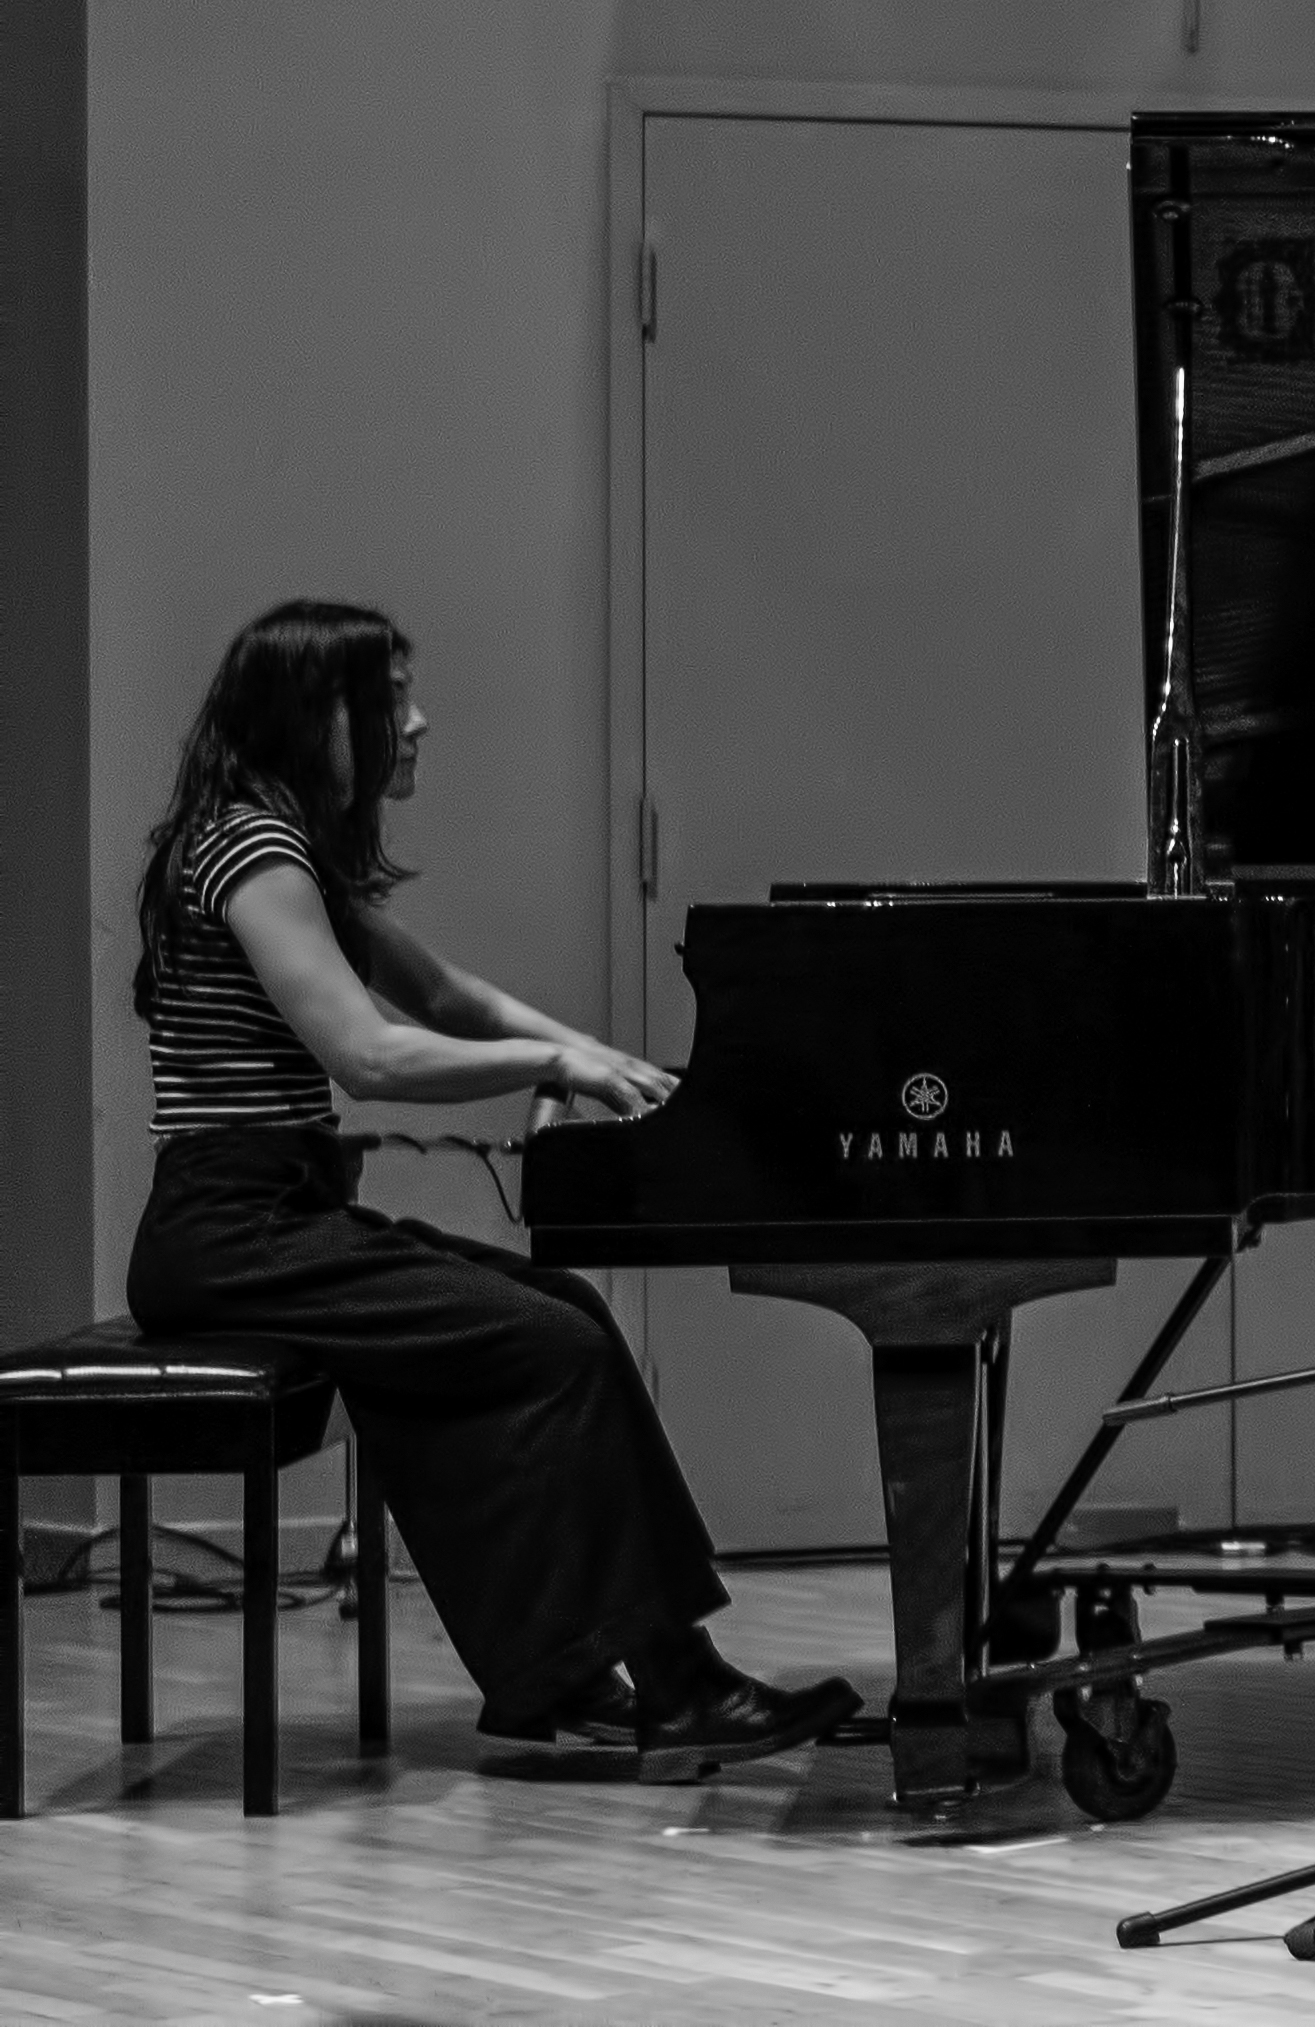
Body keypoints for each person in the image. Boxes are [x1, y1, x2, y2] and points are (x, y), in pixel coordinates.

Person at [126, 600, 857, 1778]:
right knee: (548, 1346)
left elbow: (449, 999)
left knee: (561, 1311)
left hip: (272, 1219)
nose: (419, 721)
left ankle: (579, 1673)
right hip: (230, 1230)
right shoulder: (251, 851)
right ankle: (670, 1685)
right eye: (392, 698)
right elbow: (369, 1054)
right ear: (320, 716)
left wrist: (617, 1068)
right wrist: (556, 1065)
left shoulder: (281, 839)